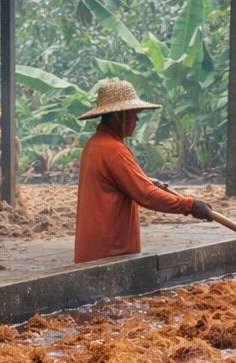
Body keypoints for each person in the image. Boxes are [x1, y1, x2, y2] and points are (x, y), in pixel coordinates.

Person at [74, 79, 213, 263]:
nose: (137, 120)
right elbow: (147, 196)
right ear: (119, 115)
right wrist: (189, 205)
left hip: (94, 251)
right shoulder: (114, 150)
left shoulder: (94, 144)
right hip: (110, 254)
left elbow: (118, 184)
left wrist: (145, 180)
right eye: (134, 114)